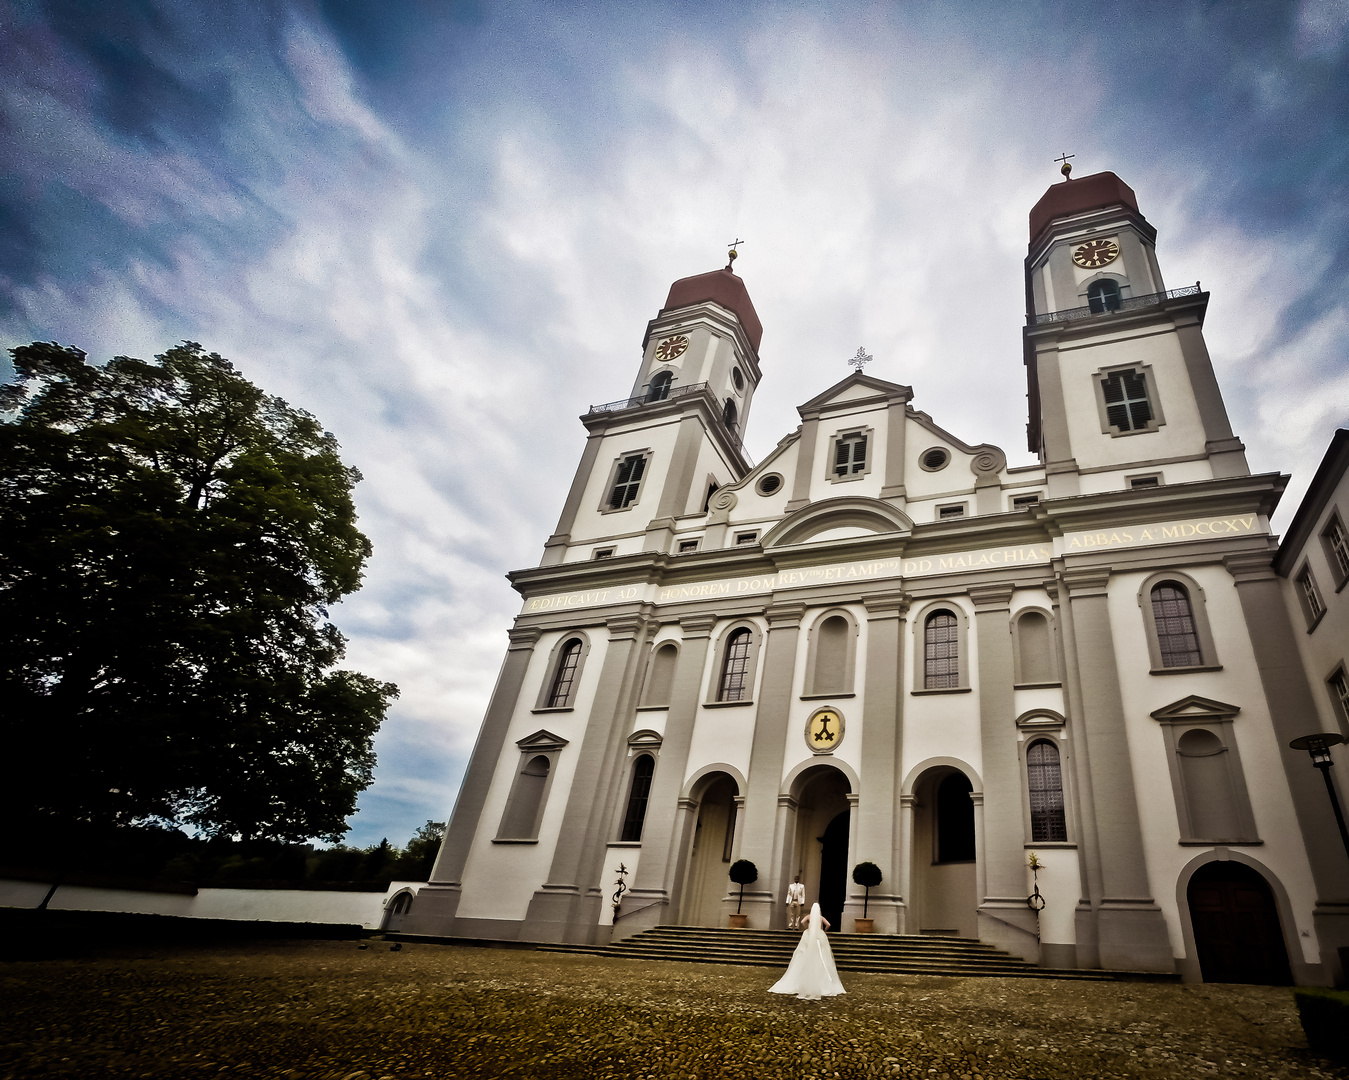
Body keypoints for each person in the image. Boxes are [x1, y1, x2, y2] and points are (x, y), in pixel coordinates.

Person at [768, 903, 846, 1000]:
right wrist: (824, 930)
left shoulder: (809, 917)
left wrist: (808, 928)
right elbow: (829, 924)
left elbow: (802, 922)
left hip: (809, 935)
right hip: (819, 936)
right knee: (822, 956)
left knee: (802, 954)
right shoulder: (821, 918)